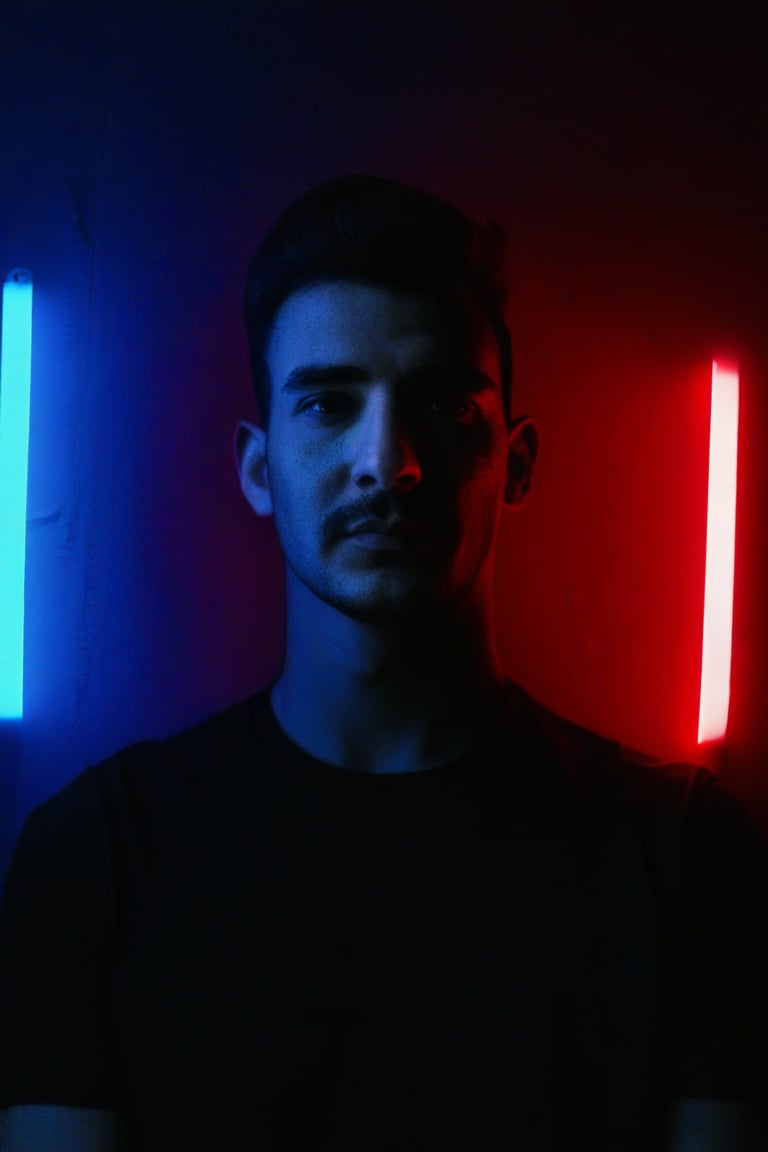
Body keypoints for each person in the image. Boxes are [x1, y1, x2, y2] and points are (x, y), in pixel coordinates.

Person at [0, 173, 766, 1151]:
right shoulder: (95, 858)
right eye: (325, 404)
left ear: (517, 462)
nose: (387, 461)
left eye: (445, 404)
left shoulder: (687, 858)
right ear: (257, 467)